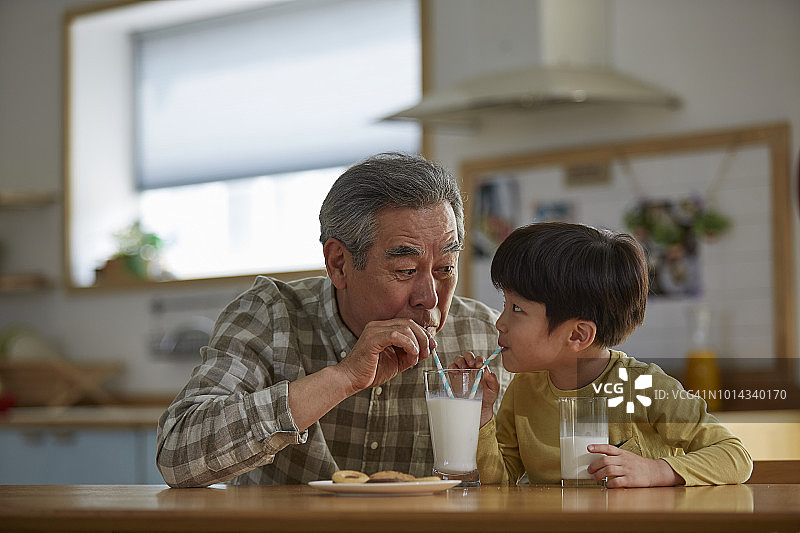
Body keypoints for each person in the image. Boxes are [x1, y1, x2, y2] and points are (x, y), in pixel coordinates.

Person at [156, 152, 511, 487]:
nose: (430, 297)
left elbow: (526, 483)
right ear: (339, 263)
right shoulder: (271, 316)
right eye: (405, 270)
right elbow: (177, 456)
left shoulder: (487, 336)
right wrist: (341, 378)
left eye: (446, 268)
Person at [455, 221, 751, 487]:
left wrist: (655, 471)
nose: (500, 322)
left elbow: (734, 456)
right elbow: (499, 483)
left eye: (517, 308)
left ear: (577, 335)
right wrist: (481, 417)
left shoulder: (644, 387)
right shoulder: (523, 391)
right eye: (505, 304)